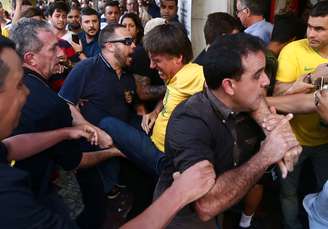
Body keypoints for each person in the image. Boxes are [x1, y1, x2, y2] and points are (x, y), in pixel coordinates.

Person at [154, 33, 301, 229]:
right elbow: (205, 206)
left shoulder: (246, 101)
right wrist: (266, 155)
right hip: (184, 218)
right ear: (229, 85)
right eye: (257, 75)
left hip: (222, 204)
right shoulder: (189, 121)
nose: (266, 81)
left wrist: (274, 126)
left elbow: (260, 105)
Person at [10, 18, 119, 229]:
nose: (61, 54)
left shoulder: (22, 84)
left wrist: (69, 130)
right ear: (30, 58)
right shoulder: (48, 104)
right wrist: (113, 152)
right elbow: (74, 162)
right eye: (53, 49)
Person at [270, 2, 328, 229]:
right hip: (294, 139)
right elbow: (278, 94)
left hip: (325, 144)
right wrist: (309, 78)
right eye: (310, 27)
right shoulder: (293, 50)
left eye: (320, 29)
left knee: (323, 191)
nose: (311, 33)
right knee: (288, 194)